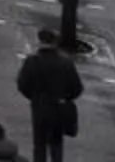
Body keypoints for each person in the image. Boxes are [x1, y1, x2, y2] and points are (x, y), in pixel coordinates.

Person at [16, 29, 83, 160]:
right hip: (58, 107)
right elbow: (77, 88)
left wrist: (34, 97)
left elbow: (23, 85)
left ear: (40, 41)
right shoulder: (65, 63)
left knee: (39, 145)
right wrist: (65, 98)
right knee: (56, 144)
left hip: (39, 107)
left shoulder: (32, 61)